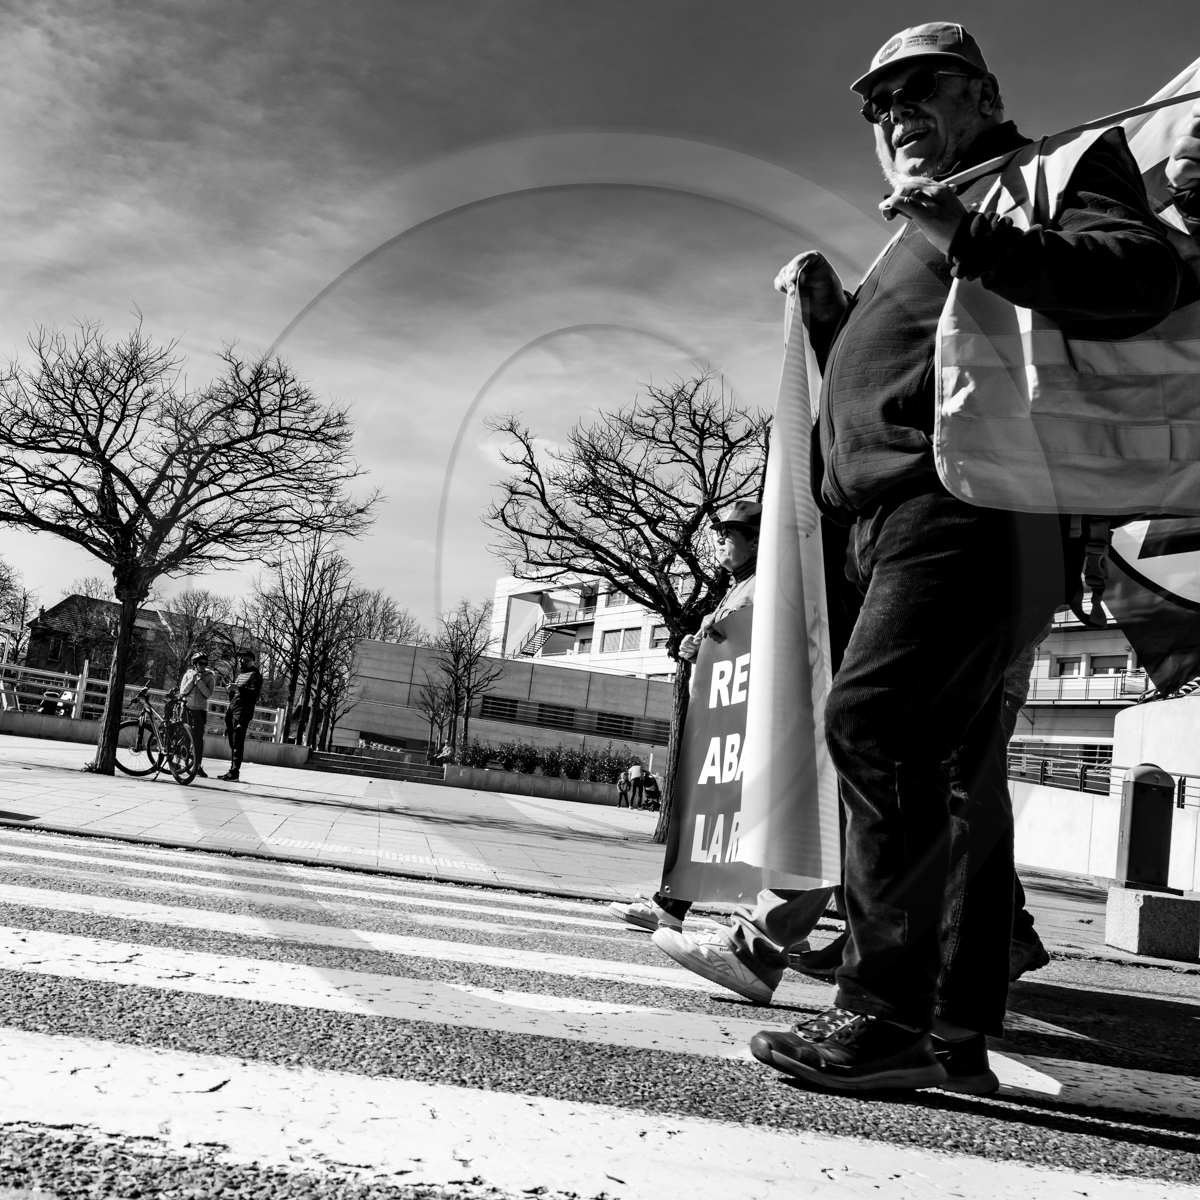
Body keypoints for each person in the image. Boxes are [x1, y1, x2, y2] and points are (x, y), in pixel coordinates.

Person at [745, 23, 1184, 1094]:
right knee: (955, 774)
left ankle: (883, 1014)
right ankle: (953, 1022)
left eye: (919, 91)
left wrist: (969, 237)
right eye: (878, 106)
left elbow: (1140, 277)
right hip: (891, 517)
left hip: (977, 503)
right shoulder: (928, 219)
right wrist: (834, 316)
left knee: (879, 728)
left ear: (984, 92)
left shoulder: (1052, 171)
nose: (895, 117)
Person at [219, 649, 263, 782]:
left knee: (238, 741)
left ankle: (235, 772)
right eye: (240, 660)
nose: (240, 662)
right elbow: (236, 692)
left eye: (243, 659)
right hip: (232, 711)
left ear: (250, 660)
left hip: (242, 713)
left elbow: (254, 693)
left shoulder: (255, 675)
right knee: (233, 741)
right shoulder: (241, 675)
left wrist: (237, 689)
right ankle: (232, 769)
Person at [178, 650, 216, 779]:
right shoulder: (188, 674)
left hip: (200, 710)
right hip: (187, 709)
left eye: (206, 663)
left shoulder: (210, 676)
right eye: (201, 663)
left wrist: (199, 682)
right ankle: (179, 762)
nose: (204, 666)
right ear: (194, 664)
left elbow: (209, 694)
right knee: (184, 737)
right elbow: (182, 691)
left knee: (198, 739)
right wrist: (192, 680)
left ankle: (197, 765)